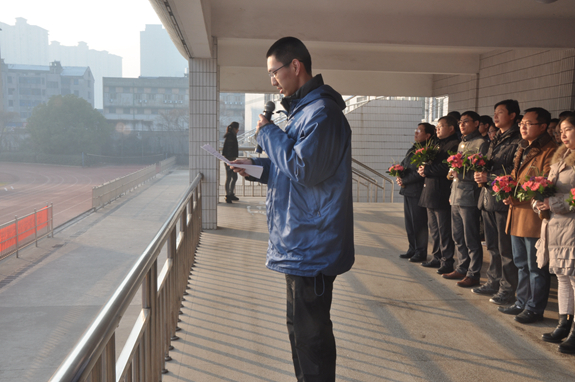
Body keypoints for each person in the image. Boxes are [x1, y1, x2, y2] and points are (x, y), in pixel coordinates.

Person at [231, 37, 354, 382]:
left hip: (312, 244)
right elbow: (293, 172)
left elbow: (305, 169)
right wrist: (256, 167)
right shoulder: (304, 112)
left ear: (295, 67)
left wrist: (268, 133)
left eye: (275, 72)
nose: (272, 80)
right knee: (299, 331)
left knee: (311, 336)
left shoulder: (323, 114)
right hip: (297, 240)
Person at [500, 107, 557, 324]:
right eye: (522, 123)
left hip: (533, 217)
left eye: (528, 123)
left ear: (543, 127)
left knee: (536, 267)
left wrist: (515, 197)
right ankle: (521, 301)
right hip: (517, 215)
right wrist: (506, 191)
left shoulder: (549, 151)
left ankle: (535, 307)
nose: (523, 126)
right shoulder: (523, 147)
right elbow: (516, 178)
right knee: (521, 263)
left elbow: (543, 186)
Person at [474, 100, 522, 305]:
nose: (495, 116)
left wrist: (490, 177)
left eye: (500, 112)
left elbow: (514, 172)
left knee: (506, 249)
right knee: (493, 246)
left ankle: (508, 289)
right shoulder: (496, 139)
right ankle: (493, 282)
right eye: (494, 112)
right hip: (488, 199)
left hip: (502, 201)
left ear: (512, 115)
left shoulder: (517, 140)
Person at [535, 115, 575, 352]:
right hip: (554, 227)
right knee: (561, 277)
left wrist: (554, 203)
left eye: (568, 129)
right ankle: (564, 322)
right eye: (561, 130)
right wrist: (539, 201)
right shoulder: (558, 159)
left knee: (573, 278)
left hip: (571, 228)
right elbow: (545, 189)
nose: (563, 134)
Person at [442, 111, 489, 288]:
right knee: (458, 236)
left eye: (466, 121)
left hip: (469, 196)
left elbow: (480, 171)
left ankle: (473, 273)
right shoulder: (463, 142)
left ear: (476, 123)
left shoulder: (481, 143)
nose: (462, 125)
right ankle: (462, 267)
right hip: (456, 195)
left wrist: (460, 173)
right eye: (460, 122)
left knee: (471, 237)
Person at [418, 116, 459, 274]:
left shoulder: (453, 145)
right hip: (430, 190)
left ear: (451, 129)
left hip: (442, 191)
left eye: (441, 126)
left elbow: (446, 169)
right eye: (437, 127)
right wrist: (422, 168)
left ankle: (447, 260)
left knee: (444, 230)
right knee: (434, 229)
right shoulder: (434, 143)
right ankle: (436, 257)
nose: (438, 129)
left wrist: (427, 170)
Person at [397, 123, 434, 263]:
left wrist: (405, 180)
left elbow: (421, 173)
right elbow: (403, 165)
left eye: (419, 131)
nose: (416, 133)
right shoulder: (413, 149)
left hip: (418, 191)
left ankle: (420, 251)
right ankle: (412, 248)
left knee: (419, 223)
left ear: (428, 135)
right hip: (407, 190)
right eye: (416, 130)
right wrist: (398, 175)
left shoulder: (427, 150)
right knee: (409, 223)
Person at [222, 121, 240, 203]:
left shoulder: (231, 135)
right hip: (230, 160)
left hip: (231, 159)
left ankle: (231, 193)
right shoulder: (230, 136)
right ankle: (228, 195)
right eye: (237, 128)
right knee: (229, 177)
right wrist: (230, 161)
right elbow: (228, 150)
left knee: (234, 177)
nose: (238, 130)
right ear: (234, 129)